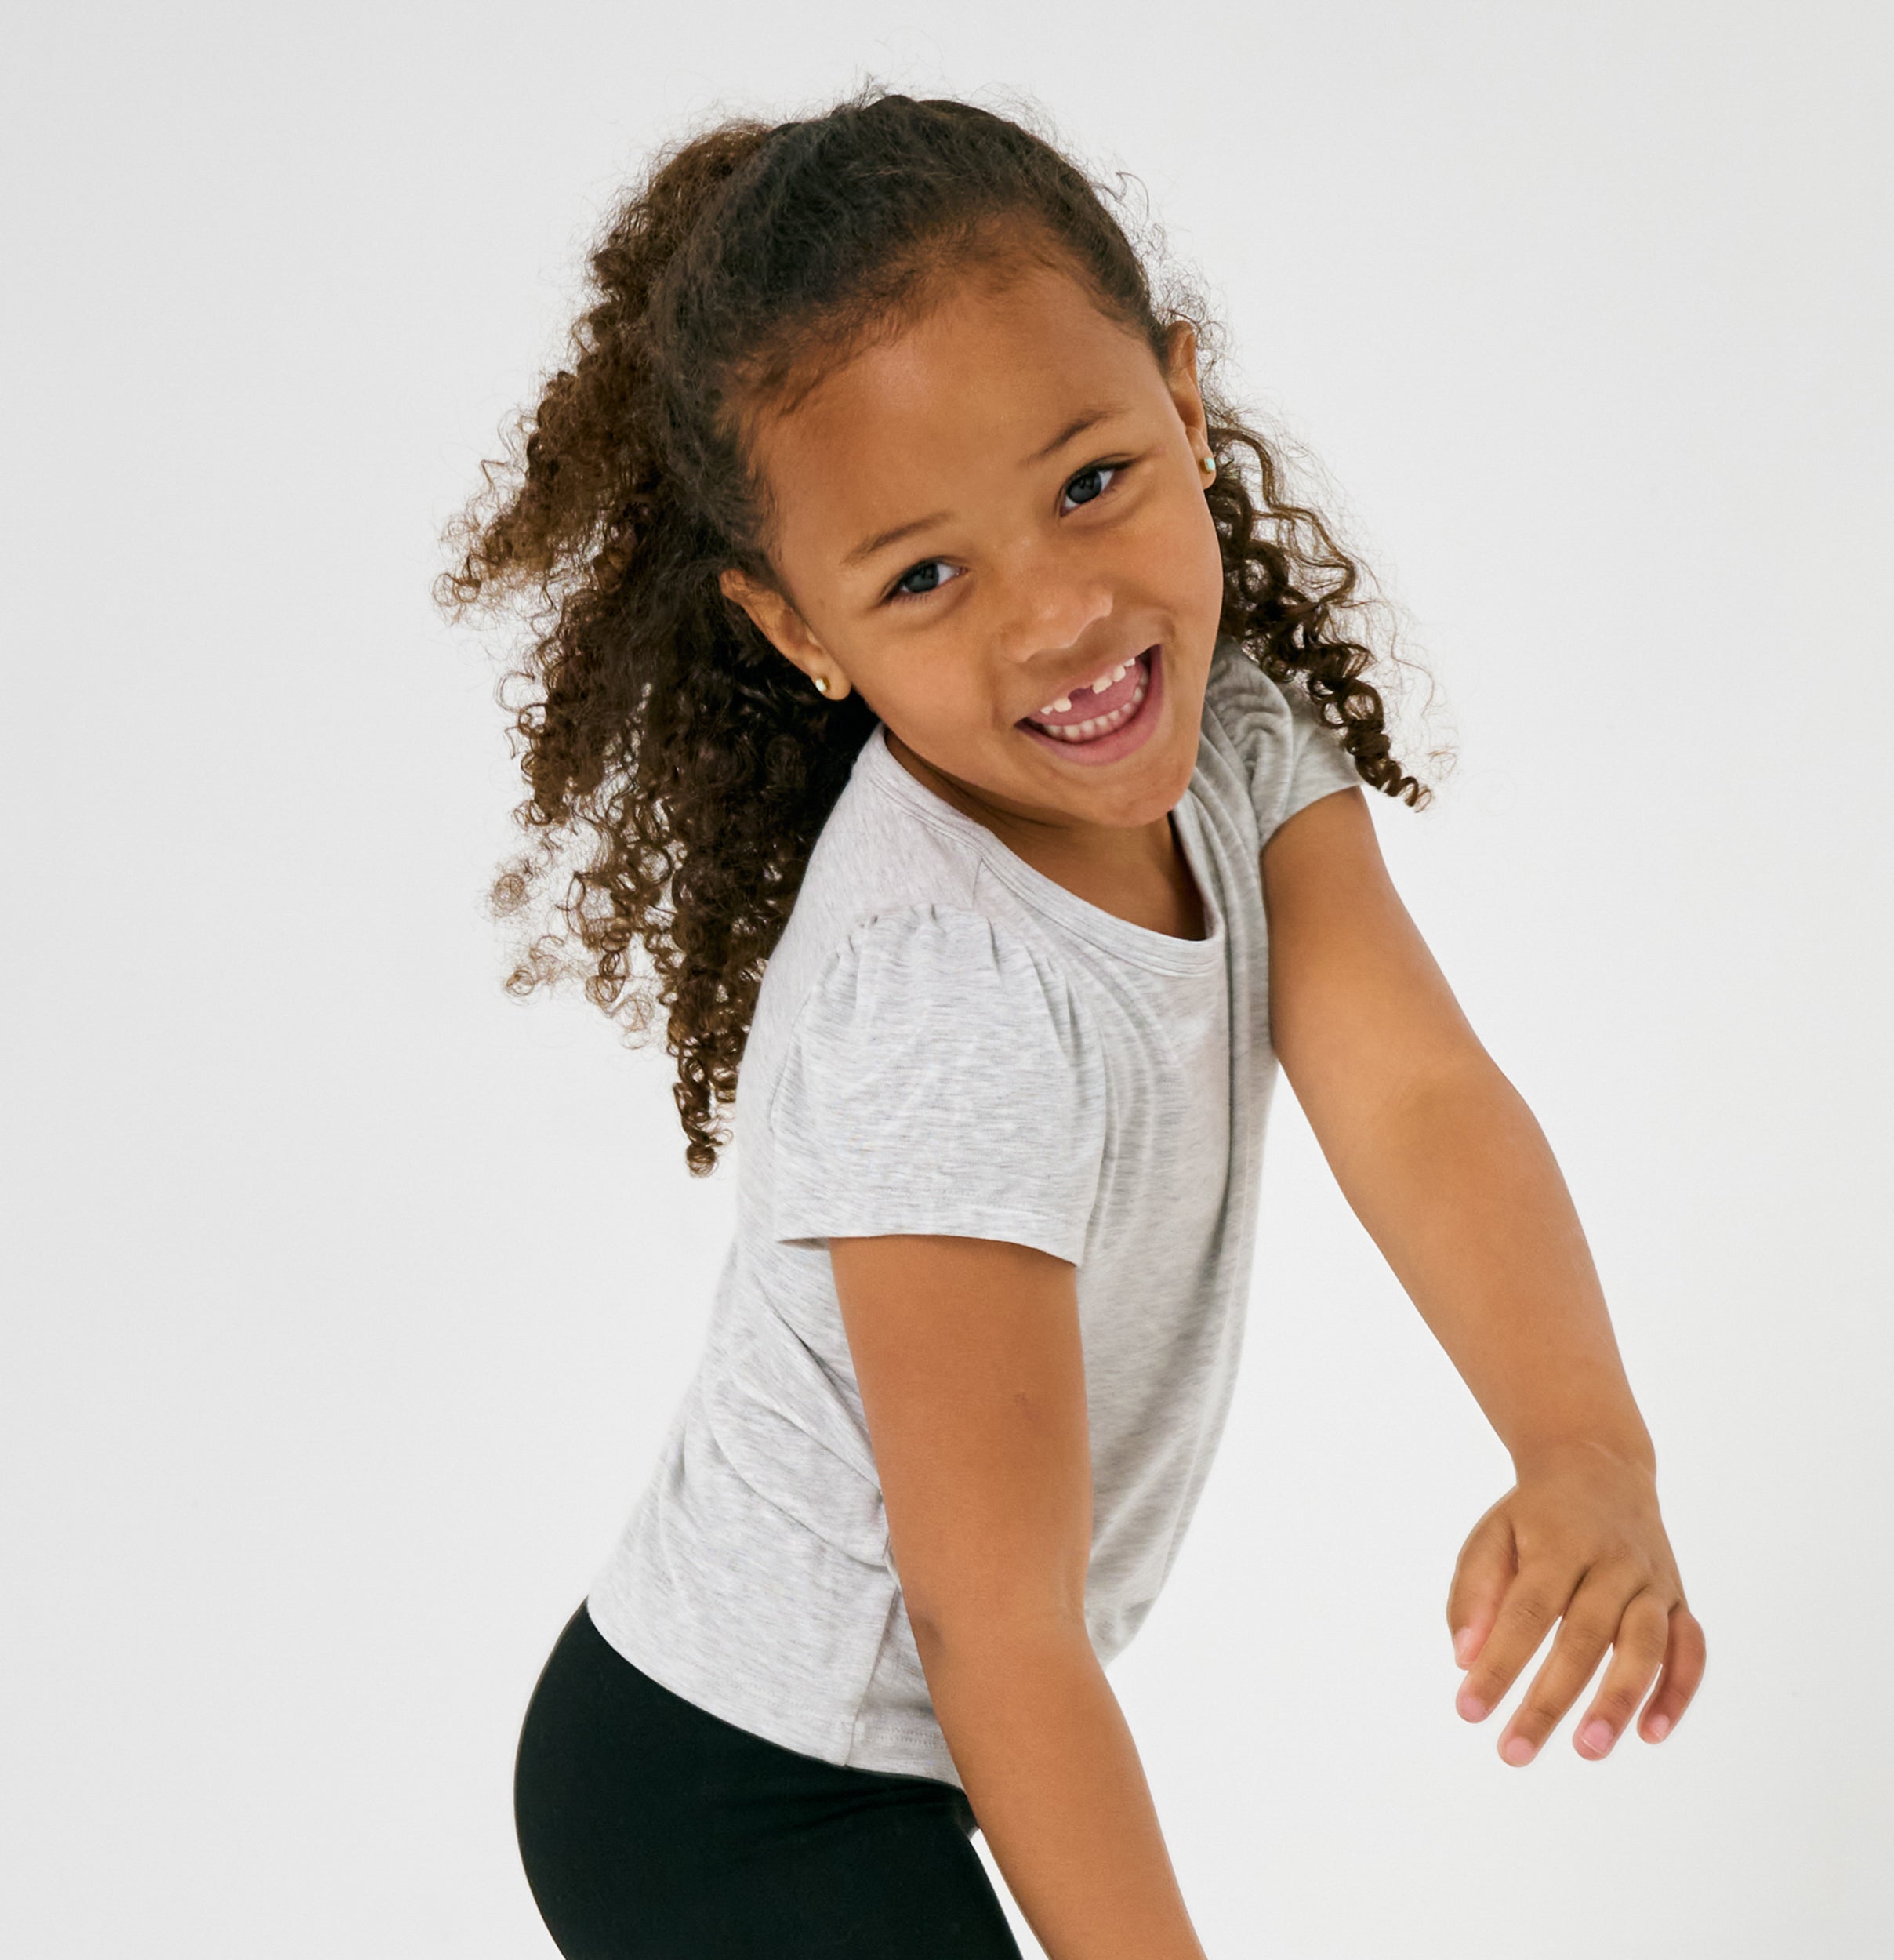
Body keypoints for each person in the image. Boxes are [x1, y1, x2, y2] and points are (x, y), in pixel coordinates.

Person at [437, 85, 1707, 1960]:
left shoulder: (1235, 732)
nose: (1059, 614)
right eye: (922, 575)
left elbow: (1416, 1094)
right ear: (800, 630)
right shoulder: (937, 993)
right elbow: (995, 1626)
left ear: (1181, 405)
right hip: (732, 1787)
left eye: (1090, 480)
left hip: (906, 1745)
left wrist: (1582, 1438)